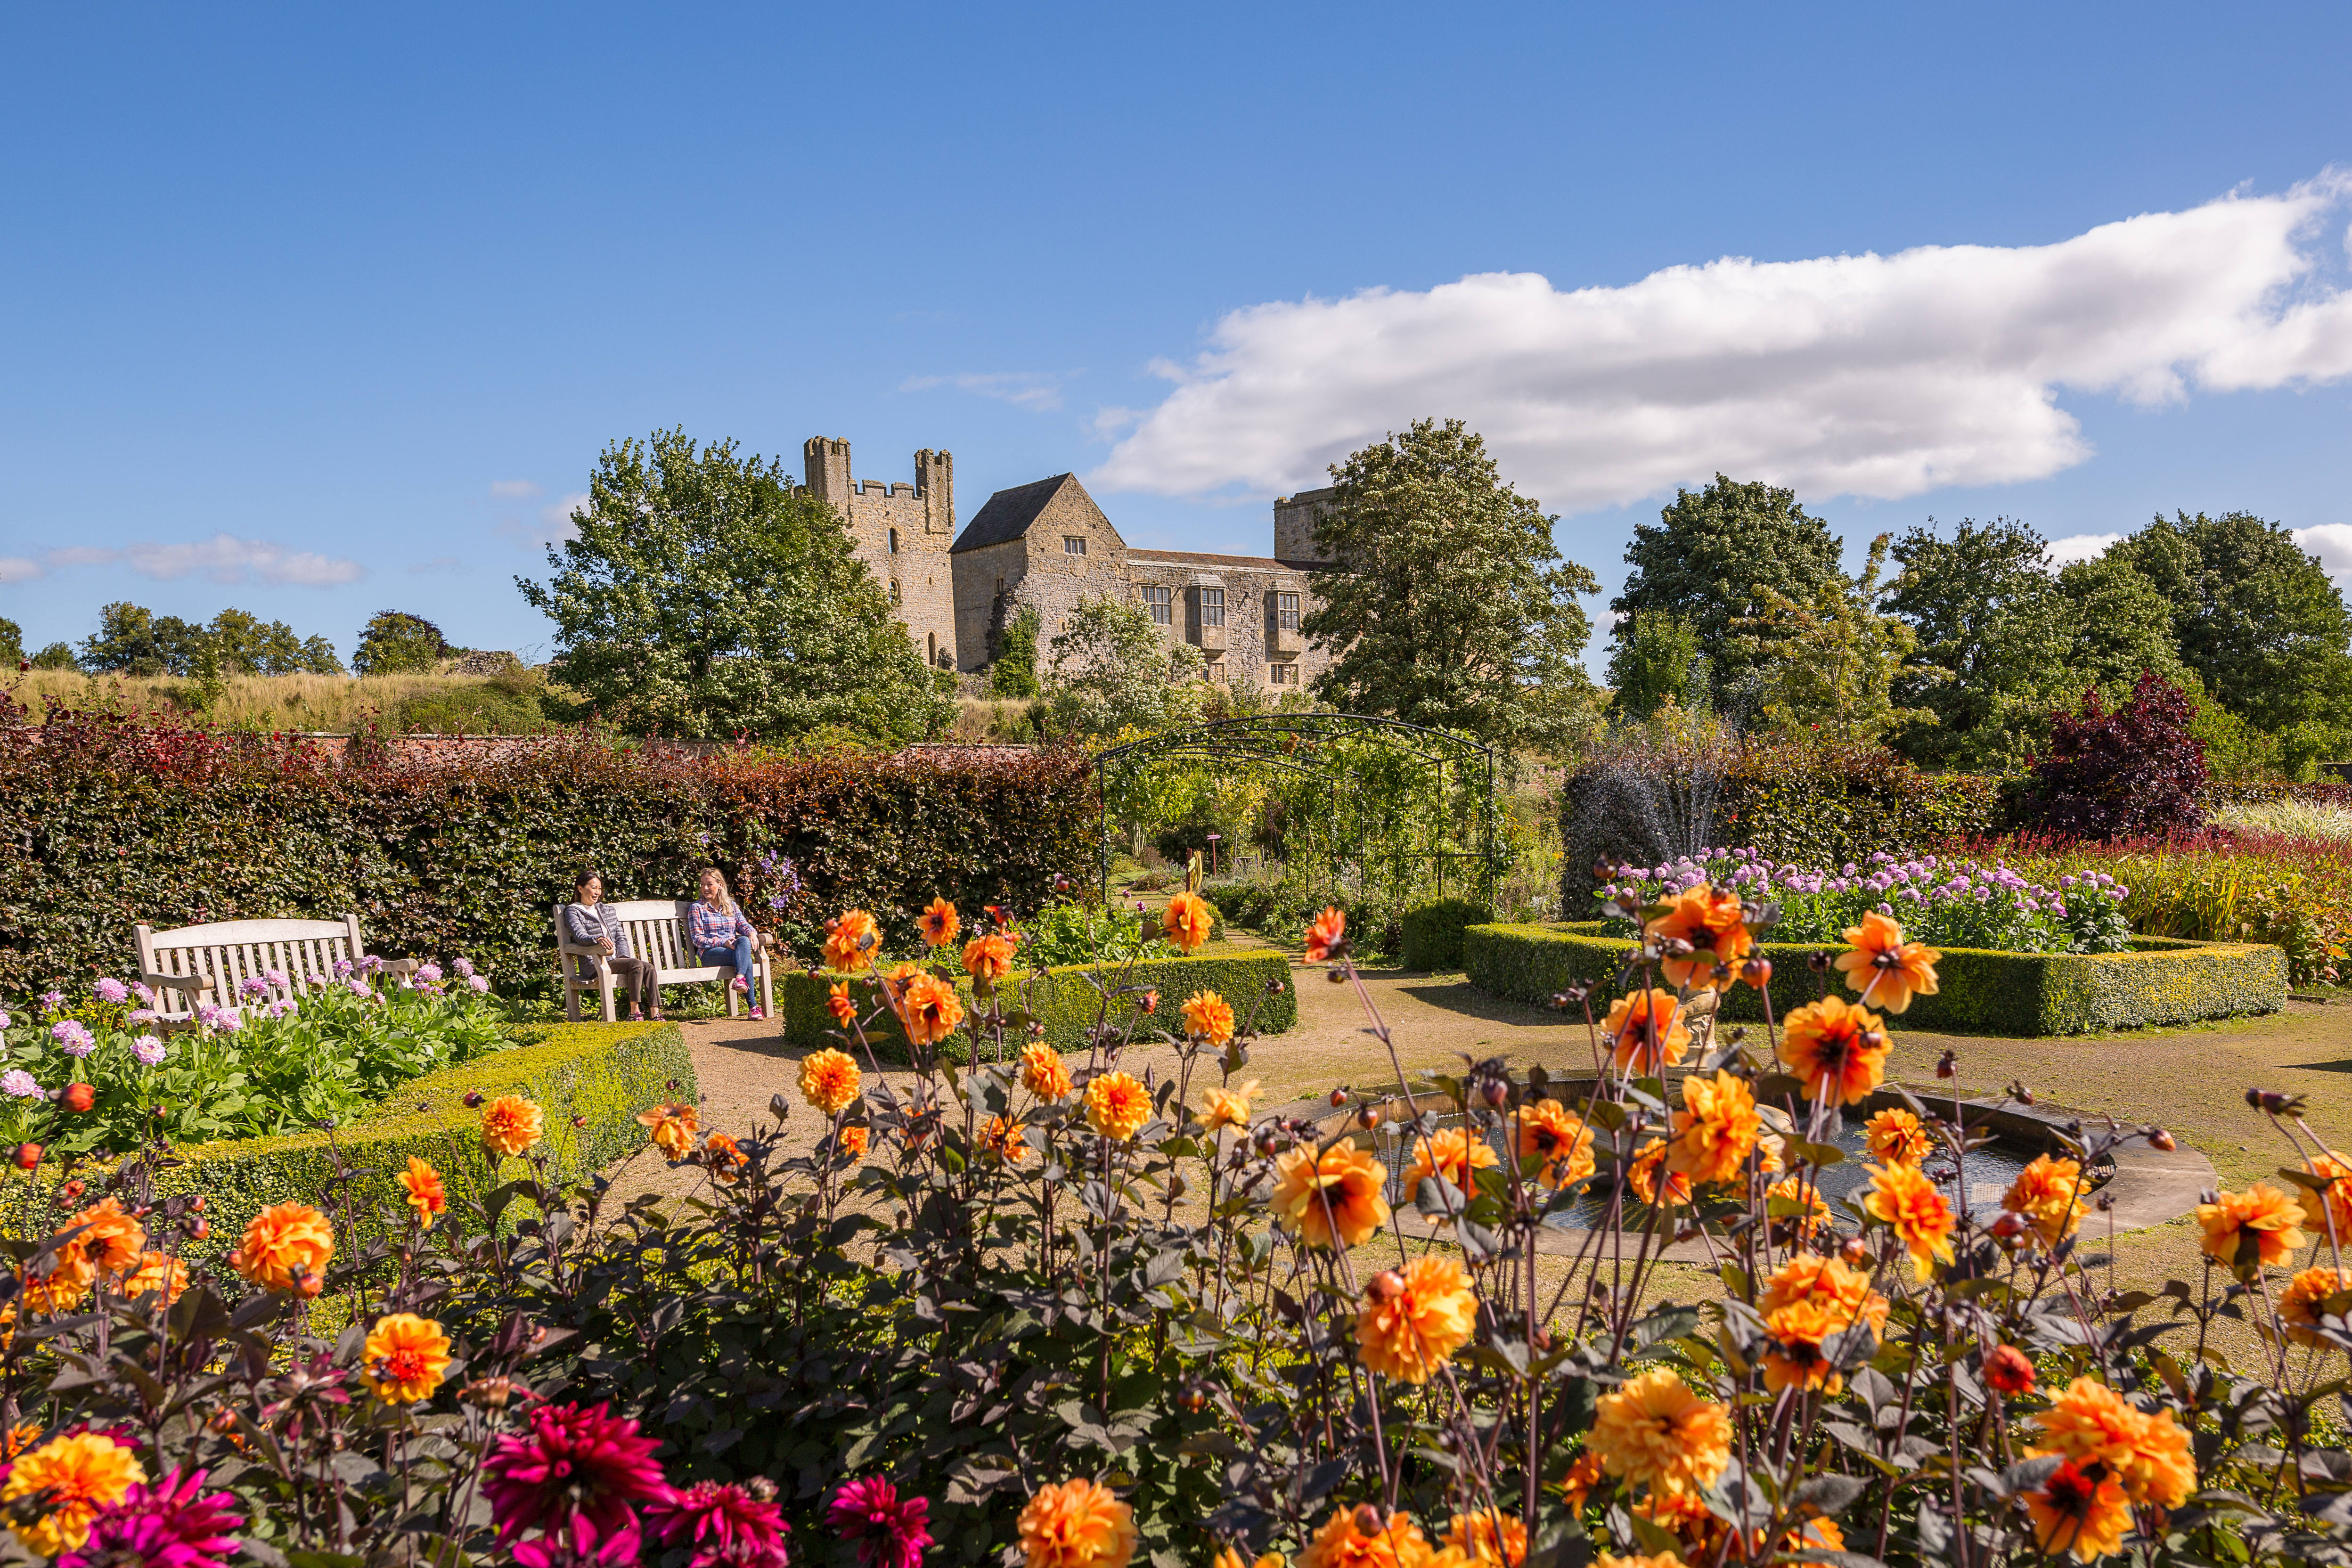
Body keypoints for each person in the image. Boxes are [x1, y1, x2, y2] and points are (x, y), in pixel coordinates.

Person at [564, 870, 660, 1021]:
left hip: (615, 960)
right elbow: (580, 936)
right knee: (636, 965)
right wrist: (597, 939)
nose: (597, 892)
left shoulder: (607, 910)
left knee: (648, 967)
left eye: (600, 888)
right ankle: (635, 1013)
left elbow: (620, 936)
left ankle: (656, 1013)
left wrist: (623, 958)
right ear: (580, 889)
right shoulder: (573, 911)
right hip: (595, 964)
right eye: (593, 888)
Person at [688, 866, 765, 1021]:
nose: (705, 888)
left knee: (744, 939)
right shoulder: (697, 908)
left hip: (733, 953)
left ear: (720, 885)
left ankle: (740, 977)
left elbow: (743, 924)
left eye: (710, 884)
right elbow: (697, 939)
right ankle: (753, 1007)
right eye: (702, 884)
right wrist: (722, 942)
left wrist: (751, 932)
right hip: (710, 954)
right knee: (747, 960)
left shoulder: (730, 905)